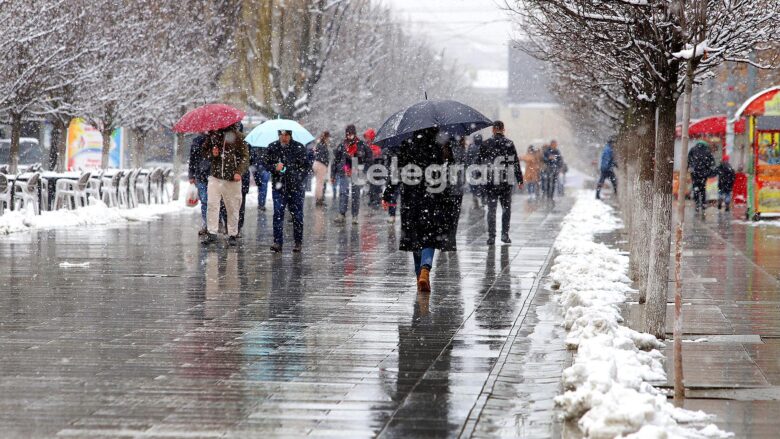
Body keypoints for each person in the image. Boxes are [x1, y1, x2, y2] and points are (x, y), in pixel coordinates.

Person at [382, 127, 461, 293]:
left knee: (414, 237)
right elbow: (447, 173)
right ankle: (426, 268)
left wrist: (388, 194)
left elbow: (397, 173)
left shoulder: (407, 144)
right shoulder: (440, 145)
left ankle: (420, 275)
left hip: (411, 198)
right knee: (430, 236)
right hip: (434, 196)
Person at [201, 123, 250, 246]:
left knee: (232, 207)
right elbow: (204, 152)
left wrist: (239, 172)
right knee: (212, 204)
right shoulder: (213, 136)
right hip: (215, 177)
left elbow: (245, 157)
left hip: (232, 179)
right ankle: (212, 233)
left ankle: (232, 234)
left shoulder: (238, 136)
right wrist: (213, 154)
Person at [479, 120, 523, 245]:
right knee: (506, 209)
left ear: (493, 129)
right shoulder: (509, 144)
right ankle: (505, 234)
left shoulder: (486, 143)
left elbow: (480, 162)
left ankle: (491, 236)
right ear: (503, 129)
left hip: (491, 181)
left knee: (491, 210)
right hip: (505, 181)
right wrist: (519, 179)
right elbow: (515, 163)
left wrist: (480, 177)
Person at [266, 129, 309, 252]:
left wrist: (297, 176)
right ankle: (277, 242)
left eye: (286, 135)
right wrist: (275, 167)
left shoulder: (299, 147)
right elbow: (265, 163)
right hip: (279, 187)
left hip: (295, 187)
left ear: (290, 135)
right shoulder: (273, 147)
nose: (284, 138)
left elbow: (306, 166)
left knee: (297, 215)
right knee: (278, 214)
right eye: (282, 135)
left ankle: (298, 242)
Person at [332, 124, 370, 225]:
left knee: (355, 195)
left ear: (354, 134)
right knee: (343, 193)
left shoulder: (361, 145)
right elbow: (336, 160)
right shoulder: (342, 145)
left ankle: (354, 216)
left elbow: (369, 157)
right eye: (348, 134)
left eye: (351, 134)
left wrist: (365, 168)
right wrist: (333, 174)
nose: (349, 136)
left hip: (357, 172)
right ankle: (342, 214)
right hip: (344, 171)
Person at [188, 134, 210, 236]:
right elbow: (192, 159)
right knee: (204, 201)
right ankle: (206, 224)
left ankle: (213, 223)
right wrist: (191, 175)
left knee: (213, 202)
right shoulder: (196, 141)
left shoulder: (216, 140)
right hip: (200, 176)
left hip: (213, 176)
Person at [688, 140, 715, 214]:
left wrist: (690, 168)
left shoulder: (693, 149)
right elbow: (712, 162)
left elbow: (689, 160)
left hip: (695, 174)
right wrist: (709, 172)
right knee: (703, 189)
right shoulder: (707, 151)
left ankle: (697, 204)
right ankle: (703, 204)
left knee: (695, 188)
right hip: (704, 174)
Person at [364, 129, 384, 208]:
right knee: (372, 186)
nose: (366, 139)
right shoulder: (367, 145)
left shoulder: (376, 145)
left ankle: (376, 201)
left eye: (367, 137)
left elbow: (378, 154)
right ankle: (373, 200)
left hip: (377, 169)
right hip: (370, 169)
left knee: (376, 186)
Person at [249, 140, 271, 211]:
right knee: (263, 186)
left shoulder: (254, 145)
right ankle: (261, 203)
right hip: (261, 168)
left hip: (259, 168)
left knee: (262, 185)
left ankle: (261, 203)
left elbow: (251, 158)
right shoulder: (269, 145)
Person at [311, 131, 331, 207]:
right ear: (326, 137)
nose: (329, 139)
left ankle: (319, 199)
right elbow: (323, 156)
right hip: (321, 165)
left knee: (319, 182)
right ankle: (319, 200)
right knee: (320, 183)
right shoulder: (323, 145)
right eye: (328, 137)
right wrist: (326, 163)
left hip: (316, 163)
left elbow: (316, 153)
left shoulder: (319, 144)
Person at [466, 134, 484, 208]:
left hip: (473, 169)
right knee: (482, 185)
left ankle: (475, 199)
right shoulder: (484, 146)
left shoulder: (471, 147)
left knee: (474, 186)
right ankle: (482, 199)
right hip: (481, 169)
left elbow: (467, 158)